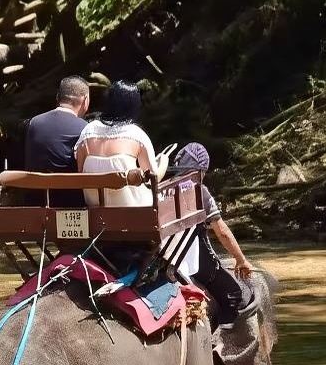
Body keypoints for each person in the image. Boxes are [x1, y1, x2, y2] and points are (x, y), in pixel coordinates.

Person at [172, 143, 255, 326]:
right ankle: (217, 344)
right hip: (191, 262)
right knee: (232, 294)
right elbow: (222, 232)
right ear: (201, 170)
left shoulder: (161, 188)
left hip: (163, 258)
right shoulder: (200, 191)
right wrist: (241, 260)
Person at [74, 80, 168, 208]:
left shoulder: (88, 131)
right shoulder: (136, 134)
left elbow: (80, 172)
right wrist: (163, 162)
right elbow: (153, 179)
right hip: (132, 209)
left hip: (94, 207)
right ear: (134, 106)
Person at [24, 76, 90, 207]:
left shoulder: (34, 123)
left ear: (57, 97)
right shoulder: (85, 128)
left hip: (36, 200)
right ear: (85, 100)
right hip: (73, 202)